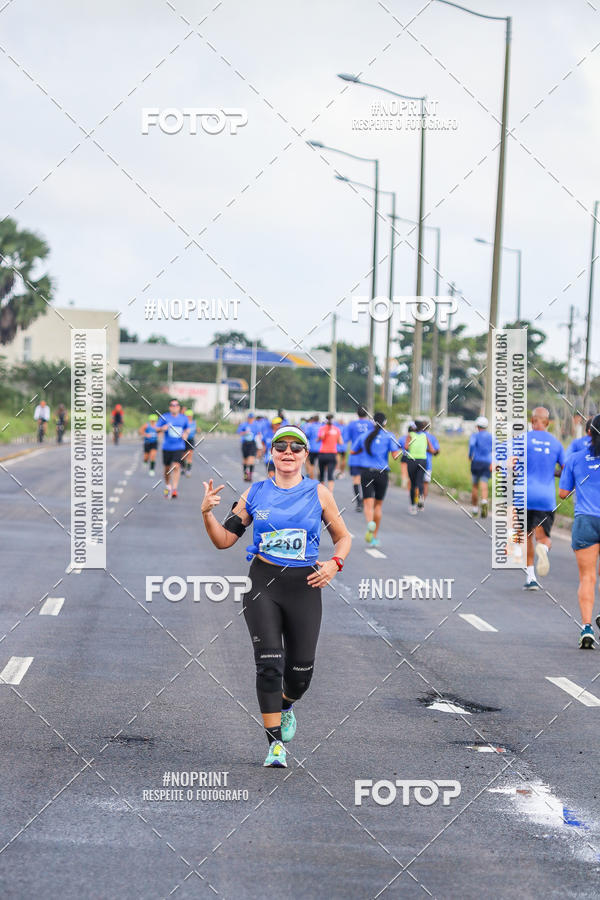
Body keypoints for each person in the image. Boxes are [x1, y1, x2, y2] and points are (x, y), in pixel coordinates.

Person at [201, 424, 351, 767]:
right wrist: (207, 513)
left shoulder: (320, 493)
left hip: (305, 586)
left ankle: (286, 704)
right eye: (280, 446)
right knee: (270, 665)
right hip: (263, 584)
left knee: (299, 674)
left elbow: (343, 538)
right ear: (271, 453)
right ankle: (275, 746)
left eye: (295, 447)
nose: (287, 452)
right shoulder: (254, 493)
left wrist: (335, 564)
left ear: (305, 455)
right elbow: (224, 540)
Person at [559, 415, 600, 648]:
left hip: (585, 520)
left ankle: (586, 627)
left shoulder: (575, 458)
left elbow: (563, 493)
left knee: (587, 577)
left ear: (588, 433)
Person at [523, 407, 565, 590]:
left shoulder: (522, 440)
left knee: (526, 536)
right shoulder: (556, 444)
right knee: (543, 537)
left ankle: (530, 578)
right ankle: (544, 548)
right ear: (547, 423)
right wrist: (551, 472)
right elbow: (565, 470)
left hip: (523, 496)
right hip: (546, 498)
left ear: (532, 421)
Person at [350, 411, 401, 547]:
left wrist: (364, 451)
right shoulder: (389, 436)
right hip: (382, 473)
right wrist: (403, 449)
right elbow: (396, 456)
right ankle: (374, 536)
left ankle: (369, 523)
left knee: (368, 503)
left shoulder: (364, 436)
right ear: (385, 423)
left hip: (366, 472)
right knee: (378, 505)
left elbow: (353, 451)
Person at [156, 400, 190, 499]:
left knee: (176, 466)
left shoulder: (183, 418)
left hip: (178, 447)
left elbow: (187, 429)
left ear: (179, 407)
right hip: (167, 447)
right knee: (167, 469)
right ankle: (167, 486)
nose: (174, 407)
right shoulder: (165, 417)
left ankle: (174, 489)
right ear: (170, 407)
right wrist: (163, 428)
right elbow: (156, 428)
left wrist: (185, 434)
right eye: (172, 405)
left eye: (176, 405)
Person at [344, 406, 373, 512]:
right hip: (368, 457)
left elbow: (345, 439)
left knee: (356, 480)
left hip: (355, 455)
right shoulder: (371, 425)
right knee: (367, 480)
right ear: (367, 413)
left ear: (357, 413)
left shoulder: (352, 424)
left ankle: (359, 503)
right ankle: (366, 500)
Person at [405, 420, 436, 514]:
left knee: (413, 484)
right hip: (423, 461)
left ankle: (413, 506)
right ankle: (420, 499)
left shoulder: (410, 435)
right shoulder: (425, 436)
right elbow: (432, 450)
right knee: (420, 482)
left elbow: (406, 447)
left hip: (412, 460)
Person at [469, 416, 493, 518]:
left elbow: (472, 446)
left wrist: (470, 456)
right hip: (487, 462)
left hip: (476, 462)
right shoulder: (491, 437)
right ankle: (484, 501)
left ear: (477, 426)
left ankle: (474, 509)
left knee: (475, 485)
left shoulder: (474, 436)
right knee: (484, 484)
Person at [317, 415, 343, 492]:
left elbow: (320, 438)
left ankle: (321, 492)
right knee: (330, 474)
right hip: (332, 453)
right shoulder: (337, 429)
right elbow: (341, 442)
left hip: (322, 453)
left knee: (321, 474)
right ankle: (330, 493)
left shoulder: (322, 428)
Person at [236, 413, 259, 482]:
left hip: (252, 443)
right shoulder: (244, 424)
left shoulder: (255, 425)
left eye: (252, 418)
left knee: (251, 459)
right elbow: (239, 432)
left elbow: (259, 433)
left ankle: (250, 475)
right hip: (245, 443)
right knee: (245, 460)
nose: (251, 419)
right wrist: (245, 432)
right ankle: (245, 475)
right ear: (248, 418)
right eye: (250, 418)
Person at [422, 421, 440, 501]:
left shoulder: (416, 436)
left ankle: (415, 501)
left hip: (416, 463)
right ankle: (422, 502)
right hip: (428, 464)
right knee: (425, 484)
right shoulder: (433, 438)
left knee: (416, 483)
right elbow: (437, 451)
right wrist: (430, 450)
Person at [303, 415, 321, 479]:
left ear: (313, 420)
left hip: (312, 448)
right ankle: (320, 478)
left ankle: (311, 479)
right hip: (320, 448)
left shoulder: (310, 426)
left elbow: (306, 435)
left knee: (311, 464)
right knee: (319, 465)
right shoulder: (321, 426)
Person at [182, 408, 198, 477]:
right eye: (187, 416)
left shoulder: (194, 422)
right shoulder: (183, 423)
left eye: (190, 415)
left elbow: (195, 430)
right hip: (183, 440)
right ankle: (183, 468)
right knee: (183, 456)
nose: (189, 417)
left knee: (190, 456)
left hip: (191, 440)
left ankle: (188, 470)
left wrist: (198, 430)